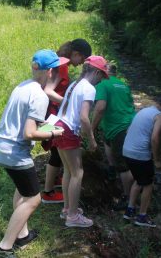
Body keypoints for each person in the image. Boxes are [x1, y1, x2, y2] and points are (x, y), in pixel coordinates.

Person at [0, 50, 68, 258]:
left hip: (1, 145)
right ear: (51, 71)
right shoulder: (40, 96)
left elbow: (24, 119)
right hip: (14, 151)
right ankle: (4, 248)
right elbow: (29, 133)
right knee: (33, 200)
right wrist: (53, 132)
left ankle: (22, 235)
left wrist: (41, 125)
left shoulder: (24, 85)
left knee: (23, 190)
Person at [53, 56, 109, 228]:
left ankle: (67, 209)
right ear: (97, 72)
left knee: (69, 172)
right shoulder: (89, 88)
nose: (101, 81)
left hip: (58, 126)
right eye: (102, 76)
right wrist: (91, 139)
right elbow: (84, 117)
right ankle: (72, 216)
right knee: (78, 173)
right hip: (69, 130)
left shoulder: (75, 84)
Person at [42, 39, 92, 204]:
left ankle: (55, 181)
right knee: (56, 152)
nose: (81, 64)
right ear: (76, 54)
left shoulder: (61, 63)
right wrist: (69, 102)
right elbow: (48, 90)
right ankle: (48, 192)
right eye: (82, 59)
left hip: (54, 113)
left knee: (56, 150)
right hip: (54, 114)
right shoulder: (62, 66)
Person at [122, 94, 161, 228]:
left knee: (139, 180)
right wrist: (157, 160)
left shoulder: (144, 110)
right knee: (148, 184)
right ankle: (142, 216)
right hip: (139, 153)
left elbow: (129, 130)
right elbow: (155, 138)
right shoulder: (160, 115)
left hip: (127, 150)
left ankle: (129, 211)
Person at [91, 64, 135, 210]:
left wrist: (91, 128)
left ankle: (128, 198)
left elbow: (100, 108)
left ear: (104, 72)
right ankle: (111, 169)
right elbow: (130, 106)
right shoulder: (123, 85)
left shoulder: (103, 84)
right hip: (128, 124)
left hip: (118, 128)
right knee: (108, 143)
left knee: (123, 165)